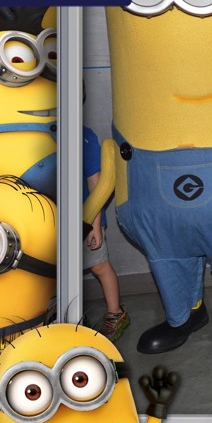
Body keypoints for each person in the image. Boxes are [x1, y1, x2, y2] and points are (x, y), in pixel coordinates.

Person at [83, 125, 130, 341]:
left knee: (99, 265)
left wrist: (95, 225)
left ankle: (115, 313)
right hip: (48, 220)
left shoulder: (83, 135)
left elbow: (96, 182)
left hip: (85, 216)